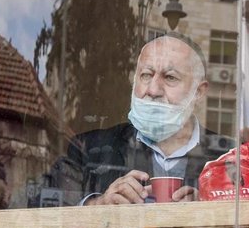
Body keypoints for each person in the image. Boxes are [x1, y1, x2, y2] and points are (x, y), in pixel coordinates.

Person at [46, 31, 224, 205]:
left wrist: (210, 210)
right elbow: (44, 206)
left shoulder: (232, 157)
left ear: (198, 92)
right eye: (146, 75)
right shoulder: (88, 149)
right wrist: (97, 205)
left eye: (170, 77)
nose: (153, 90)